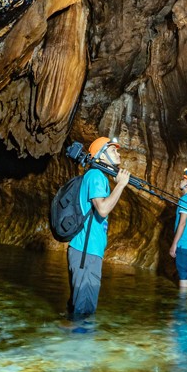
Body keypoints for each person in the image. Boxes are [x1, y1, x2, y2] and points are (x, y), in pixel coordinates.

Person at [66, 137, 130, 320]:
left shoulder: (98, 176)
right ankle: (78, 344)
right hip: (86, 253)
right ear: (101, 156)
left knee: (79, 308)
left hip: (88, 253)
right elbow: (102, 209)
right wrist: (121, 185)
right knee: (84, 311)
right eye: (112, 150)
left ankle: (69, 341)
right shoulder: (96, 176)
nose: (118, 153)